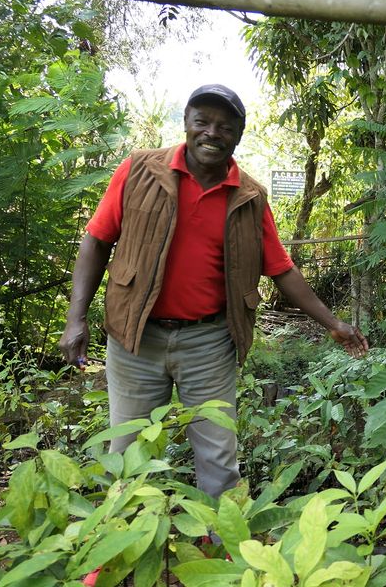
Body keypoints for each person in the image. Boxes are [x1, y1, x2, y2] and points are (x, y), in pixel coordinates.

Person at [59, 84, 368, 499]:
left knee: (218, 458)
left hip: (209, 342)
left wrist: (334, 324)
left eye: (224, 126)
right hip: (135, 339)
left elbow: (281, 269)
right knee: (129, 451)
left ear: (238, 135)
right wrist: (75, 319)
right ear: (186, 123)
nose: (211, 133)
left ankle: (219, 534)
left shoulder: (250, 197)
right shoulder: (138, 171)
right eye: (202, 121)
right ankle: (126, 534)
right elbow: (96, 241)